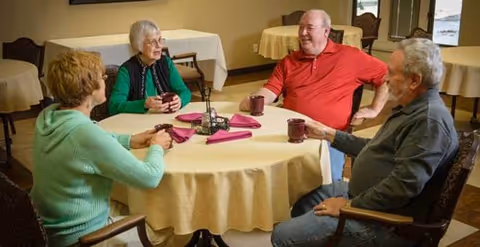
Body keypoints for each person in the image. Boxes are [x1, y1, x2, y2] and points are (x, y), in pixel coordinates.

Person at [271, 38, 458, 246]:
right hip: (364, 196)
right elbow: (375, 149)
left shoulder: (428, 122)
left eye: (392, 72)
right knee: (303, 200)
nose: (385, 79)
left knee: (282, 235)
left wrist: (349, 205)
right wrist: (328, 133)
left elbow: (402, 188)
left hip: (386, 223)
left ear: (414, 80)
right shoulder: (411, 108)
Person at [30, 51, 172, 246]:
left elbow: (91, 139)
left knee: (129, 203)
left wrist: (130, 140)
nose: (105, 81)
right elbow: (150, 177)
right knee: (166, 224)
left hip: (48, 226)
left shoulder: (48, 116)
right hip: (81, 238)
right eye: (103, 77)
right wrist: (156, 147)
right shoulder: (85, 134)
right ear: (90, 87)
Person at [239, 9, 389, 181]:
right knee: (264, 177)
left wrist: (374, 109)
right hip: (290, 134)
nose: (303, 33)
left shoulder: (350, 56)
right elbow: (270, 91)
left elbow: (386, 76)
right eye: (301, 28)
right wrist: (254, 100)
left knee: (325, 187)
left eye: (309, 28)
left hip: (328, 138)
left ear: (326, 31)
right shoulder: (289, 61)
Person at [109, 20, 191, 115]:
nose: (159, 46)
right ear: (139, 45)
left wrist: (180, 101)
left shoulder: (166, 62)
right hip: (137, 122)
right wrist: (143, 104)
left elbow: (185, 91)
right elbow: (114, 106)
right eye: (152, 42)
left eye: (160, 40)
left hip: (165, 118)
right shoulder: (127, 70)